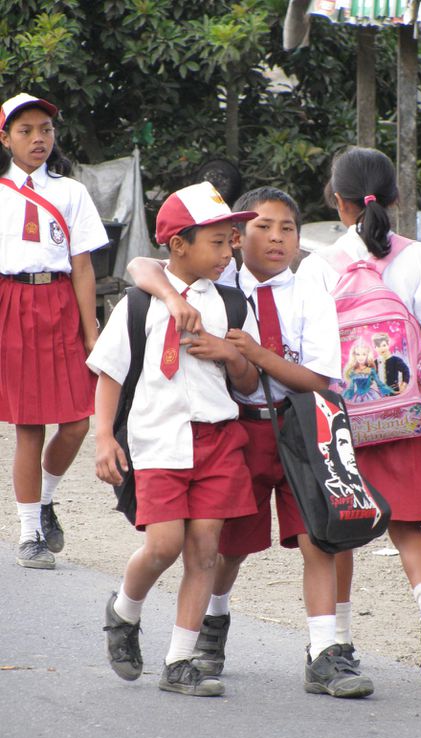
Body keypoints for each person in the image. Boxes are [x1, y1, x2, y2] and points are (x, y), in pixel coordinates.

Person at [128, 186, 375, 698]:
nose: (277, 238)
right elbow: (141, 267)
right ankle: (211, 629)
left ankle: (324, 654)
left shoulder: (311, 289)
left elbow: (319, 379)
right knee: (224, 546)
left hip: (302, 430)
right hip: (236, 430)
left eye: (288, 229)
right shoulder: (218, 282)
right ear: (237, 238)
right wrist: (173, 296)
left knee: (317, 539)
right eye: (263, 227)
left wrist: (254, 354)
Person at [87, 181, 261, 697]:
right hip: (157, 439)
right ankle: (124, 610)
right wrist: (103, 438)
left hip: (218, 438)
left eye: (232, 240)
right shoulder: (141, 304)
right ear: (179, 245)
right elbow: (110, 374)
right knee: (162, 545)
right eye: (217, 241)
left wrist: (230, 355)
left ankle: (180, 661)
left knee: (205, 548)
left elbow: (249, 382)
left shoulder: (230, 304)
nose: (229, 250)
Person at [296, 147, 421, 683]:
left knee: (341, 532)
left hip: (346, 420)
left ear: (339, 203)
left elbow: (312, 351)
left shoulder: (320, 265)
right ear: (395, 198)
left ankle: (339, 640)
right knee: (409, 528)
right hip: (405, 415)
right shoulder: (418, 257)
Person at [0, 92, 108, 570]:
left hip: (62, 303)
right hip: (11, 304)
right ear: (5, 138)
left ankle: (45, 500)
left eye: (45, 129)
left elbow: (83, 267)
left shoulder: (71, 192)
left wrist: (91, 332)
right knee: (28, 427)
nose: (38, 138)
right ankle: (28, 534)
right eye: (25, 131)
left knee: (79, 419)